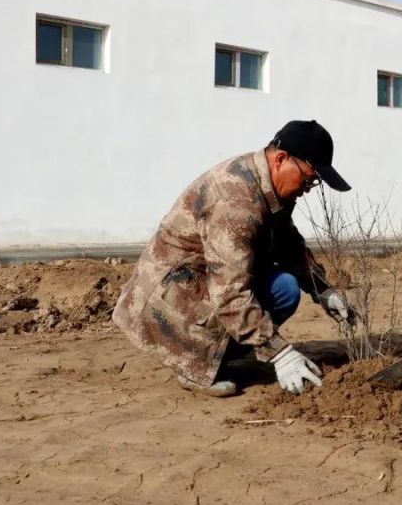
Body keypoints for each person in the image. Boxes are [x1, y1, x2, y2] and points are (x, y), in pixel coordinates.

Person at [113, 120, 355, 397]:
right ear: (281, 159)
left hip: (200, 284)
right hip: (165, 303)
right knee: (263, 291)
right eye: (309, 178)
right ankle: (193, 363)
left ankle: (218, 352)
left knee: (284, 288)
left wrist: (322, 289)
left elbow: (287, 244)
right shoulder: (235, 203)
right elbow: (229, 293)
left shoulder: (268, 188)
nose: (309, 188)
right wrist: (279, 353)